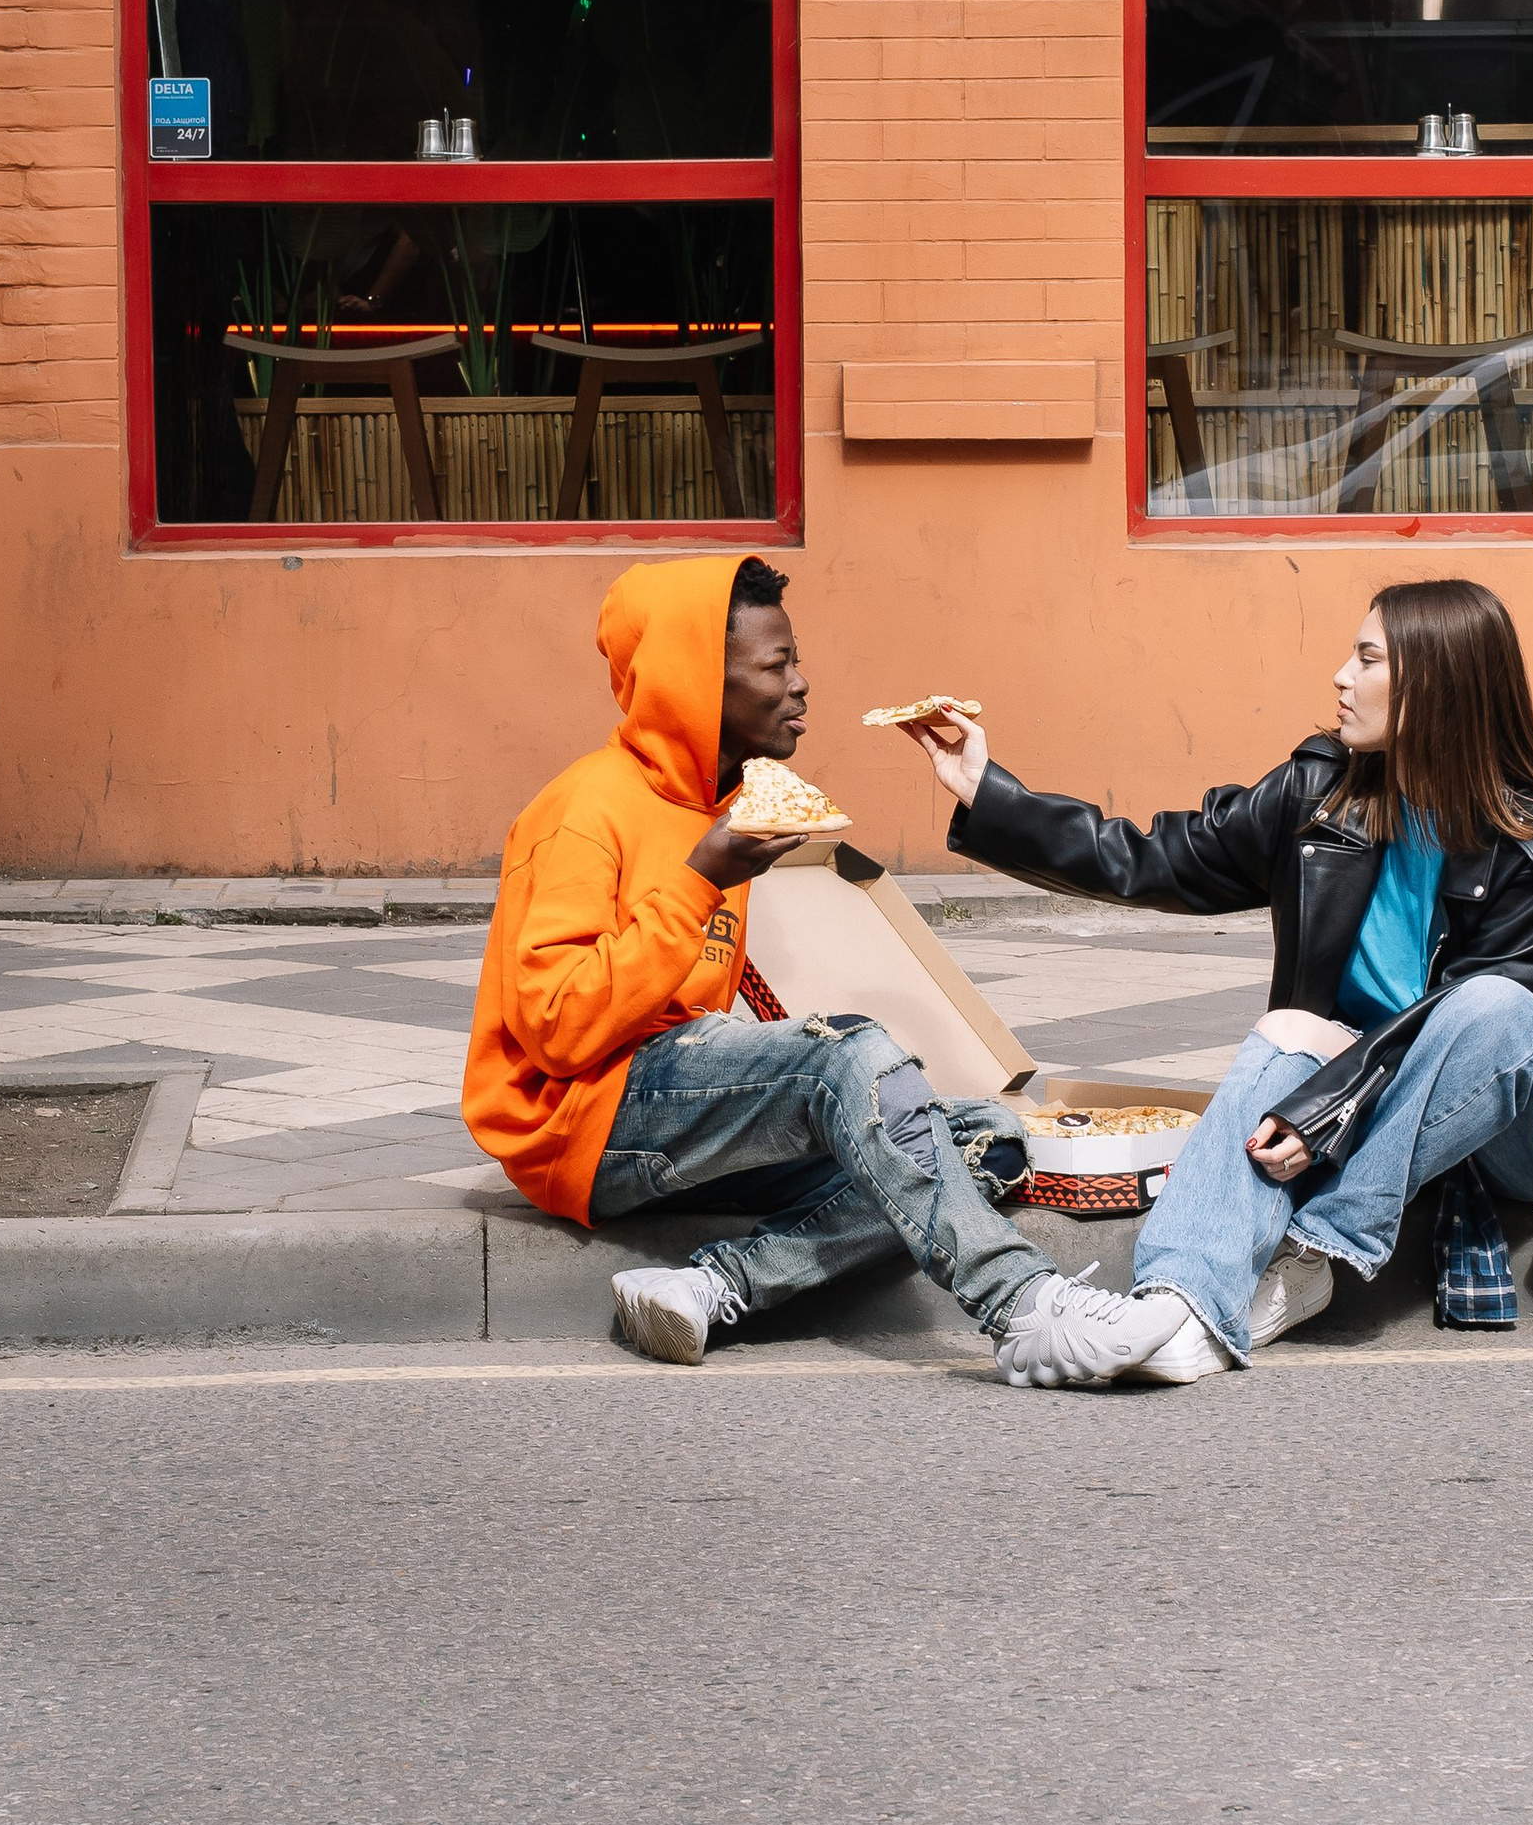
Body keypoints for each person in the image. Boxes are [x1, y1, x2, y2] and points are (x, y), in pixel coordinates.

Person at [902, 577, 1533, 1390]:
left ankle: (1314, 1256)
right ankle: (1178, 1310)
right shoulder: (1322, 795)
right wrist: (987, 792)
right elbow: (1155, 859)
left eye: (1367, 659)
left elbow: (1471, 1030)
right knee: (1290, 1029)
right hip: (1379, 1099)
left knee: (1489, 1004)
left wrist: (1331, 1107)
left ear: (1435, 688)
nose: (1340, 675)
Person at [462, 554, 1191, 1379]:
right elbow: (559, 1029)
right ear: (697, 681)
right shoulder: (583, 811)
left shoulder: (732, 809)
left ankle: (715, 1286)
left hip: (676, 1101)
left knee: (985, 1138)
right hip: (581, 1120)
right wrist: (701, 882)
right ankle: (1024, 1306)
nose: (803, 685)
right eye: (776, 665)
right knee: (843, 1054)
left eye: (797, 660)